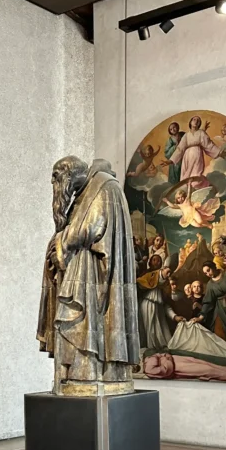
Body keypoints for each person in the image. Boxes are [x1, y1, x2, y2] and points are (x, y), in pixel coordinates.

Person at [37, 156, 140, 392]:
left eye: (56, 179)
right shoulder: (84, 192)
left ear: (68, 175)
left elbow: (92, 227)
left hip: (95, 278)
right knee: (74, 326)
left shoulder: (104, 187)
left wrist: (61, 241)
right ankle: (76, 374)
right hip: (83, 275)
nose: (55, 187)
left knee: (82, 323)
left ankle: (90, 374)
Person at [169, 115, 223, 190]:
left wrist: (218, 152)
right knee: (186, 178)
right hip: (187, 157)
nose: (196, 121)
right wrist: (171, 160)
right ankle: (189, 194)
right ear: (190, 122)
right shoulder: (186, 135)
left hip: (197, 156)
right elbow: (180, 148)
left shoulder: (201, 133)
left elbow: (208, 144)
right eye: (194, 119)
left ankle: (207, 187)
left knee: (196, 177)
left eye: (198, 121)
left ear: (199, 124)